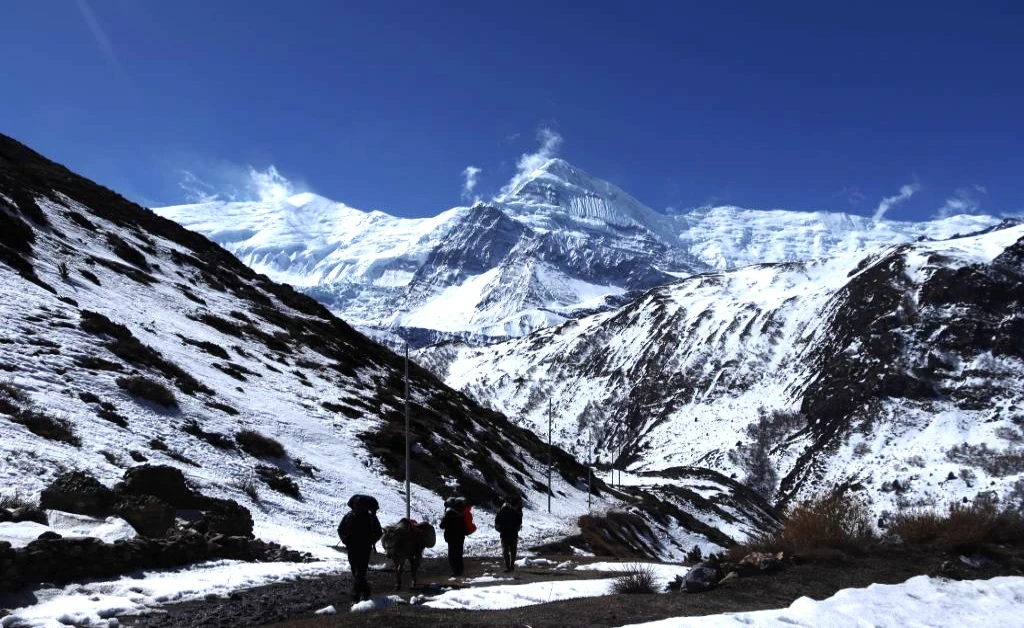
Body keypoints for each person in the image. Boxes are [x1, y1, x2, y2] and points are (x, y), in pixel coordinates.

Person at [338, 494, 383, 602]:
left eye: (359, 505)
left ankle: (356, 597)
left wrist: (371, 541)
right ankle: (366, 590)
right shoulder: (349, 516)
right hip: (352, 548)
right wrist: (345, 540)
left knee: (360, 572)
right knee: (355, 571)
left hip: (364, 548)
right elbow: (340, 529)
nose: (357, 506)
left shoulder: (370, 517)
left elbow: (379, 532)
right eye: (356, 504)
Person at [439, 496, 472, 576]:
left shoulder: (448, 515)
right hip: (460, 538)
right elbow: (464, 527)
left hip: (451, 538)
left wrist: (444, 518)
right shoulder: (461, 514)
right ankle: (459, 571)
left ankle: (455, 572)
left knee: (452, 556)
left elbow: (441, 526)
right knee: (458, 554)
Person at [494, 498, 523, 572]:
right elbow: (519, 521)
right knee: (513, 551)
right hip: (513, 534)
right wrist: (517, 528)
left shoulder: (501, 512)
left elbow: (497, 523)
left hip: (504, 534)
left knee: (505, 551)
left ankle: (508, 566)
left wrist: (501, 530)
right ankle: (511, 564)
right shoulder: (515, 512)